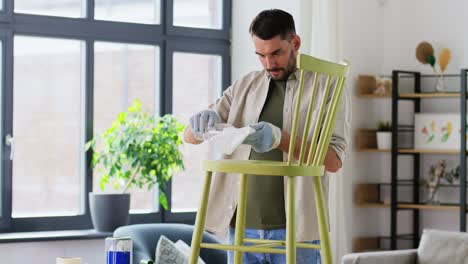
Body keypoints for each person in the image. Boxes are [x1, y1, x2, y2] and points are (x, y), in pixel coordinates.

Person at [184, 9, 348, 264]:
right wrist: (200, 121)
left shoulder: (325, 87)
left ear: (295, 43)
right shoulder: (245, 86)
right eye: (260, 55)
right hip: (241, 229)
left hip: (298, 230)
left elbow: (334, 161)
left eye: (276, 53)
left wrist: (279, 139)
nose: (269, 64)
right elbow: (189, 137)